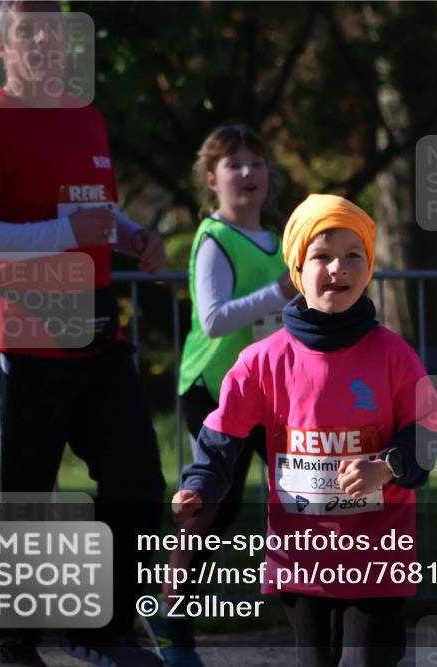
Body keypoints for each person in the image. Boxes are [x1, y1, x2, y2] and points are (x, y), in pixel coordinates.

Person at [0, 2, 166, 665]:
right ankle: (7, 643)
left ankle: (103, 629)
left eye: (54, 29)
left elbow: (93, 207)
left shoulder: (85, 116)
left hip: (95, 326)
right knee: (23, 496)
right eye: (27, 30)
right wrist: (65, 235)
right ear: (2, 47)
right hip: (17, 329)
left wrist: (133, 236)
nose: (44, 39)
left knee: (137, 479)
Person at [172, 194, 437, 667]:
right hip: (301, 553)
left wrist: (388, 466)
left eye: (353, 255)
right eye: (322, 255)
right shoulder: (262, 359)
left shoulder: (393, 354)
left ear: (369, 267)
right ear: (297, 268)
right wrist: (199, 485)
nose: (338, 267)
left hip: (377, 548)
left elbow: (427, 426)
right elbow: (222, 433)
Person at [150, 124, 296, 667]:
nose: (247, 173)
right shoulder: (213, 238)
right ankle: (170, 612)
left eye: (255, 162)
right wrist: (278, 291)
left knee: (302, 494)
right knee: (214, 501)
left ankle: (320, 613)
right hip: (214, 388)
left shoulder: (280, 239)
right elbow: (213, 320)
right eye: (233, 164)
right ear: (211, 178)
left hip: (271, 390)